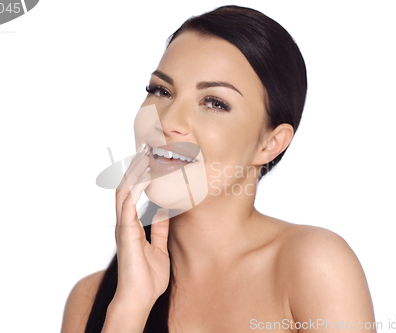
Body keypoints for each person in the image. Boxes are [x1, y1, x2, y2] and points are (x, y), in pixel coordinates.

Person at [61, 5, 376, 333]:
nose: (167, 122)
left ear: (270, 143)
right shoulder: (91, 300)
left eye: (214, 103)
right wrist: (130, 306)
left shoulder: (314, 266)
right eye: (161, 91)